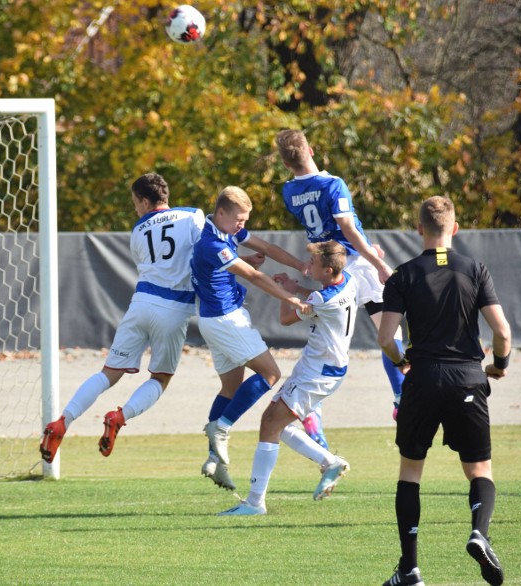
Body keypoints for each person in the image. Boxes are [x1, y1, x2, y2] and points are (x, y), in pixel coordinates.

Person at [378, 196, 510, 586]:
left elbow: (386, 337)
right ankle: (478, 533)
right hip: (469, 378)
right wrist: (499, 366)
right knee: (478, 469)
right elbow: (502, 332)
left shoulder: (402, 275)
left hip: (423, 379)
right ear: (455, 228)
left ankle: (410, 570)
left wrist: (403, 362)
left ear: (418, 228)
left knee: (410, 473)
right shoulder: (475, 269)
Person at [39, 173, 205, 463]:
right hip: (174, 308)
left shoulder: (138, 230)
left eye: (135, 203)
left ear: (144, 200)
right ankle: (120, 416)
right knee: (161, 378)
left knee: (108, 373)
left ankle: (62, 421)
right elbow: (207, 254)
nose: (135, 209)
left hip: (140, 304)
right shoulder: (192, 216)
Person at [275, 129, 406, 433]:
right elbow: (346, 227)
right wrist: (378, 262)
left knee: (330, 345)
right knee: (388, 332)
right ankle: (401, 397)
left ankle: (310, 409)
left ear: (285, 163)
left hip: (329, 269)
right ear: (310, 149)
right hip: (355, 263)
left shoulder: (288, 191)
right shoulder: (332, 184)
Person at [219, 241, 356, 516]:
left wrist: (282, 291)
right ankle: (328, 462)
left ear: (328, 269)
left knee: (270, 423)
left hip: (317, 372)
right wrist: (296, 290)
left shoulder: (322, 299)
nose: (308, 268)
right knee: (273, 423)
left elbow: (285, 318)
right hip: (322, 368)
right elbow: (315, 299)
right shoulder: (347, 281)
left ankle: (256, 503)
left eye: (314, 264)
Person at [191, 186, 310, 492]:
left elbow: (268, 248)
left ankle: (214, 461)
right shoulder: (211, 242)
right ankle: (222, 428)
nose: (242, 225)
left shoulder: (224, 233)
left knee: (230, 387)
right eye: (238, 219)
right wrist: (290, 297)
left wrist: (299, 265)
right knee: (271, 373)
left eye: (245, 219)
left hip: (216, 319)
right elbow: (253, 276)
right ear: (220, 213)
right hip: (225, 320)